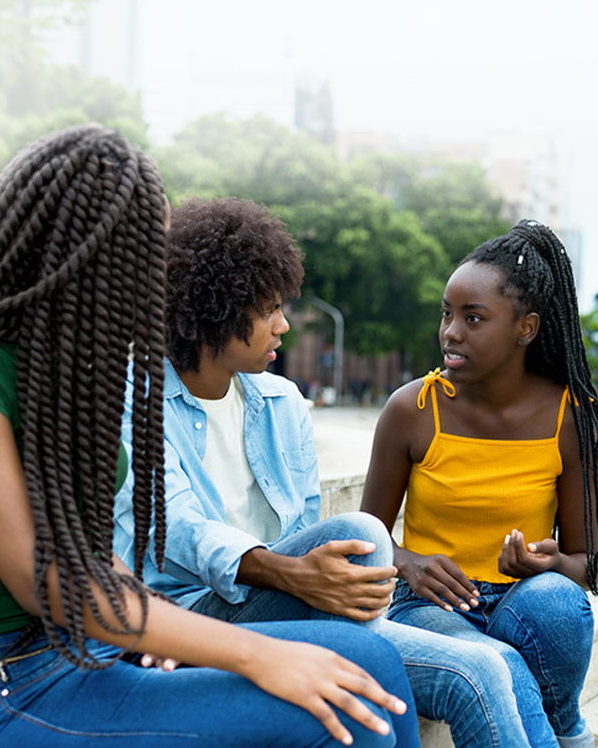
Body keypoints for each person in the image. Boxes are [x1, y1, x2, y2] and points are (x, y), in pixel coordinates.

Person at [0, 125, 416, 748]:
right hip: (17, 687)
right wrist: (254, 654)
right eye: (142, 258)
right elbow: (52, 585)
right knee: (338, 703)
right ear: (76, 254)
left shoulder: (69, 377)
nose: (155, 280)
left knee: (373, 665)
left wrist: (156, 639)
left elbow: (104, 562)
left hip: (105, 655)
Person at [114, 195, 557, 748]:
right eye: (267, 308)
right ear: (215, 307)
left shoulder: (282, 404)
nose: (282, 325)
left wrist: (309, 579)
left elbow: (300, 533)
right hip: (183, 618)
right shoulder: (135, 398)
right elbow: (175, 526)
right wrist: (286, 573)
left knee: (485, 670)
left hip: (288, 609)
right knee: (364, 533)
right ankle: (370, 648)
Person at [362, 220, 598, 748]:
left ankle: (565, 722)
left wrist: (545, 565)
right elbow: (365, 536)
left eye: (473, 318)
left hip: (523, 605)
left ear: (525, 328)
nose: (451, 332)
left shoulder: (570, 417)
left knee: (557, 602)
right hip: (429, 607)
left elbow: (587, 564)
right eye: (447, 314)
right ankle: (571, 738)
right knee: (494, 662)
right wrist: (407, 560)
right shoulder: (413, 409)